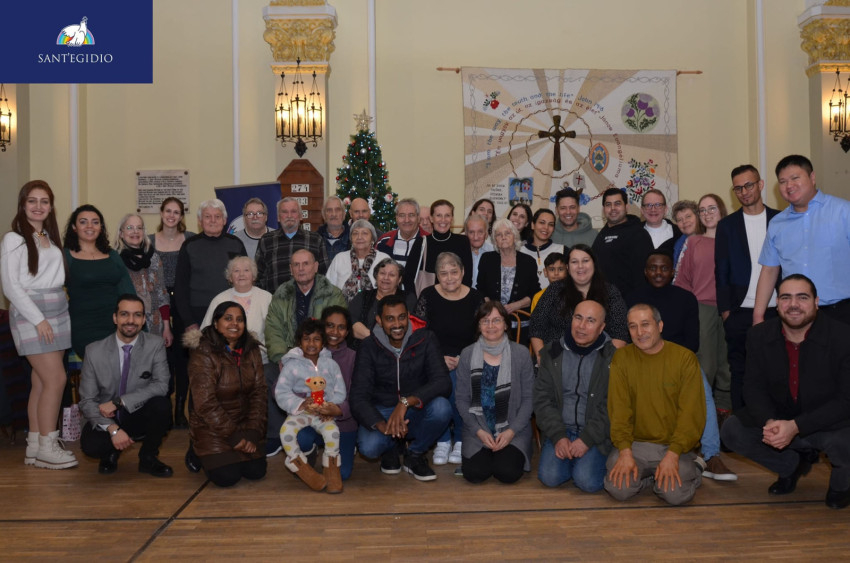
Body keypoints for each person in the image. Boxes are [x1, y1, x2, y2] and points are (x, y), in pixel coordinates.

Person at [721, 275, 850, 509]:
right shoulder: (759, 335)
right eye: (786, 298)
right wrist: (770, 422)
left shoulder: (843, 337)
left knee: (845, 443)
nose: (793, 305)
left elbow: (845, 401)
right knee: (732, 430)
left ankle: (843, 484)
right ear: (777, 303)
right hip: (782, 417)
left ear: (816, 302)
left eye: (802, 298)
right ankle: (791, 465)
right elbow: (752, 387)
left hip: (829, 423)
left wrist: (796, 426)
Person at [628, 251, 736, 481]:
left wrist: (668, 358)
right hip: (642, 359)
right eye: (653, 268)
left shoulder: (686, 298)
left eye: (664, 268)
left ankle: (711, 455)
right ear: (645, 272)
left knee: (703, 391)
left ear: (673, 272)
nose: (658, 273)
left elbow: (692, 342)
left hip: (679, 360)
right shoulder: (634, 297)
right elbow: (630, 337)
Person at [1, 180, 77, 469]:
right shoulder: (14, 239)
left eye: (44, 201)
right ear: (23, 204)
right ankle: (48, 445)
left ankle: (34, 444)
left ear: (51, 206)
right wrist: (39, 319)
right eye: (32, 201)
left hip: (58, 309)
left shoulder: (47, 235)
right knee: (56, 380)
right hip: (33, 312)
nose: (38, 206)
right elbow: (11, 286)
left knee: (41, 381)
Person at [604, 304, 705, 505]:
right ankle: (650, 479)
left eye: (645, 324)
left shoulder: (684, 358)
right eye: (633, 326)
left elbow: (691, 414)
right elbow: (619, 411)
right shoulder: (622, 358)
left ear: (660, 326)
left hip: (673, 446)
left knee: (674, 495)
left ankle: (694, 470)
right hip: (635, 445)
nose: (639, 332)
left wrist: (673, 454)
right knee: (618, 489)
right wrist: (624, 451)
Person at [350, 294, 452, 481]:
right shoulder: (368, 346)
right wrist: (382, 425)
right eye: (390, 319)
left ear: (408, 316)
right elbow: (358, 396)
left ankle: (415, 454)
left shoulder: (426, 338)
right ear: (379, 320)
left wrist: (406, 402)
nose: (397, 324)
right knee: (369, 447)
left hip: (414, 410)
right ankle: (391, 447)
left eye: (402, 317)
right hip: (382, 412)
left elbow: (442, 382)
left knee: (442, 408)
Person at [78, 295, 173, 477]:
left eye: (137, 315)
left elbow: (161, 385)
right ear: (115, 318)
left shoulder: (155, 345)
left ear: (143, 320)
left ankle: (148, 457)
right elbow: (87, 401)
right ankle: (110, 454)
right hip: (106, 416)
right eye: (124, 314)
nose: (131, 320)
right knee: (91, 446)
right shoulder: (94, 351)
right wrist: (113, 429)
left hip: (137, 412)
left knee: (162, 406)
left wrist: (119, 402)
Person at [172, 199, 247, 428]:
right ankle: (194, 422)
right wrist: (189, 322)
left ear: (225, 220)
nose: (213, 221)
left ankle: (225, 418)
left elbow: (245, 280)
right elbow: (180, 287)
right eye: (208, 216)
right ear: (200, 220)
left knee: (226, 370)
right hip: (196, 319)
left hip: (228, 319)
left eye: (217, 217)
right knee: (198, 371)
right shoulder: (190, 246)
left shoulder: (235, 244)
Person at [754, 154, 850, 327]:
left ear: (812, 177)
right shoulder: (777, 224)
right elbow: (769, 271)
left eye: (795, 178)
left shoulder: (843, 212)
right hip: (794, 315)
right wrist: (758, 316)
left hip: (841, 312)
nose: (789, 185)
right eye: (782, 181)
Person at [715, 164, 779, 410]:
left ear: (760, 184)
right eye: (738, 188)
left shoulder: (780, 219)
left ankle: (776, 423)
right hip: (739, 311)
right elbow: (721, 270)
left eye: (748, 185)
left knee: (777, 371)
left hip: (777, 310)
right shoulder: (727, 226)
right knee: (739, 371)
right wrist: (726, 312)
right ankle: (741, 423)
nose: (744, 192)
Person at [535, 299, 614, 492]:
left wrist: (587, 439)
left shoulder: (613, 358)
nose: (581, 326)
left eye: (590, 321)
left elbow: (612, 405)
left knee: (587, 482)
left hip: (594, 433)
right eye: (578, 318)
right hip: (561, 428)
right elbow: (542, 400)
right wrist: (558, 436)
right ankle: (575, 462)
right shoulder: (551, 353)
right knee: (549, 477)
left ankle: (587, 463)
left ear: (601, 327)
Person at [414, 252, 485, 466]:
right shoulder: (428, 295)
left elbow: (484, 335)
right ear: (437, 275)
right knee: (445, 377)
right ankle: (444, 440)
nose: (449, 277)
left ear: (463, 272)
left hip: (468, 357)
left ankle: (460, 439)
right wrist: (438, 359)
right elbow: (418, 335)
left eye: (454, 272)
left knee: (457, 377)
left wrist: (464, 357)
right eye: (443, 273)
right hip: (433, 358)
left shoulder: (475, 297)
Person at [185, 301, 267, 487]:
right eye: (228, 318)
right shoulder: (203, 351)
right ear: (216, 323)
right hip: (211, 427)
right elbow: (205, 403)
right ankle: (196, 450)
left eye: (240, 319)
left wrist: (252, 433)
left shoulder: (251, 348)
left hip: (244, 424)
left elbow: (259, 393)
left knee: (256, 472)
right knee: (227, 477)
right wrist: (234, 437)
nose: (234, 324)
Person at [199, 256, 275, 456]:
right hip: (224, 363)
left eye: (246, 270)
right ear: (229, 276)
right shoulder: (219, 299)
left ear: (254, 275)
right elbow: (206, 333)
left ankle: (260, 435)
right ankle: (223, 435)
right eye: (236, 271)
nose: (241, 274)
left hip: (259, 362)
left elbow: (275, 333)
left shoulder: (267, 297)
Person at [455, 301, 534, 483]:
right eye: (485, 321)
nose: (491, 326)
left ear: (506, 324)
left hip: (513, 429)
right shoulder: (467, 354)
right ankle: (487, 453)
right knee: (475, 474)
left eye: (496, 320)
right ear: (479, 326)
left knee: (507, 473)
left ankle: (504, 454)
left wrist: (511, 431)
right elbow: (461, 399)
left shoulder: (521, 354)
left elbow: (529, 399)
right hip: (478, 429)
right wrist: (478, 431)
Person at [674, 194, 731, 414]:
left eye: (712, 208)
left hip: (730, 307)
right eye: (703, 210)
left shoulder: (733, 240)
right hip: (702, 308)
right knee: (706, 364)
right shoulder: (693, 242)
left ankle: (724, 410)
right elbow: (682, 280)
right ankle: (701, 411)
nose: (707, 214)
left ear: (721, 210)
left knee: (727, 363)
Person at [275, 319, 346, 493]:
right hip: (301, 413)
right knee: (285, 432)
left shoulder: (331, 365)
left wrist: (329, 407)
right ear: (300, 342)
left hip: (323, 413)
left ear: (323, 343)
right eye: (306, 339)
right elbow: (281, 392)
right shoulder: (291, 366)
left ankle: (331, 468)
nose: (311, 344)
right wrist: (300, 403)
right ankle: (300, 466)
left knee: (333, 433)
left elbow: (340, 391)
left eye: (316, 339)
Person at [530, 244, 628, 358]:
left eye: (585, 261)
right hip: (555, 358)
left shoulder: (610, 292)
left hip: (598, 360)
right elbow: (536, 326)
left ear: (594, 264)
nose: (580, 266)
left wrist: (606, 363)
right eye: (574, 262)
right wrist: (542, 358)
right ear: (567, 267)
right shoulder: (555, 289)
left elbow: (620, 333)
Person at [63, 204, 136, 359]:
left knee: (124, 365)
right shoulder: (65, 256)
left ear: (101, 227)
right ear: (74, 227)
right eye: (83, 222)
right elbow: (52, 288)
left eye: (95, 222)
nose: (90, 226)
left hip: (116, 324)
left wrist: (136, 322)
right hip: (84, 327)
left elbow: (127, 290)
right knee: (102, 364)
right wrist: (41, 234)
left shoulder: (112, 254)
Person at [296, 307, 358, 481]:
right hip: (311, 420)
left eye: (341, 327)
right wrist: (305, 404)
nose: (335, 332)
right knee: (301, 437)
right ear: (322, 326)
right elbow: (281, 387)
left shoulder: (354, 357)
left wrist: (338, 410)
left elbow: (358, 395)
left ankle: (341, 450)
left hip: (343, 424)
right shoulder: (304, 352)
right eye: (330, 325)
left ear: (347, 332)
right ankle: (310, 451)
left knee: (342, 474)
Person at [265, 249, 347, 367]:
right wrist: (282, 358)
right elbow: (273, 330)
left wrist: (318, 359)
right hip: (288, 356)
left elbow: (336, 331)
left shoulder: (333, 295)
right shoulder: (281, 296)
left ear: (316, 267)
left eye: (306, 264)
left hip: (323, 357)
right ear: (291, 269)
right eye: (296, 265)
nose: (301, 268)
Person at [476, 219, 540, 343]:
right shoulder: (487, 259)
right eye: (499, 235)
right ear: (495, 240)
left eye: (507, 233)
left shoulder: (529, 262)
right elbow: (481, 289)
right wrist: (494, 308)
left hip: (521, 325)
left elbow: (534, 293)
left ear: (515, 237)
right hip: (492, 324)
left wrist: (516, 305)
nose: (503, 237)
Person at [115, 213, 173, 346]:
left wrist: (166, 327)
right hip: (127, 325)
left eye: (139, 228)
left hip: (156, 326)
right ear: (121, 233)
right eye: (129, 227)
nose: (135, 231)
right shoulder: (115, 259)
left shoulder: (154, 258)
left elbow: (162, 293)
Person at [255, 197, 329, 293]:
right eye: (284, 212)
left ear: (301, 216)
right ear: (278, 217)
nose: (289, 216)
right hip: (274, 300)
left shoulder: (315, 240)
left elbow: (324, 275)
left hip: (310, 300)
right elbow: (257, 277)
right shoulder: (266, 241)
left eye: (293, 211)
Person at [591, 187, 654, 298]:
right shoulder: (601, 236)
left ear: (626, 207)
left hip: (630, 302)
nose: (613, 208)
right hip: (603, 301)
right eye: (608, 204)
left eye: (617, 204)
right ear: (604, 209)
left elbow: (644, 276)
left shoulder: (638, 234)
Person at [404, 199, 474, 292]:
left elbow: (467, 277)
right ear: (431, 218)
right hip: (428, 298)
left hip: (456, 297)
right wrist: (414, 299)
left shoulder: (462, 241)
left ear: (452, 218)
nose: (443, 220)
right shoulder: (422, 242)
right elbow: (408, 277)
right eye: (439, 215)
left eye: (447, 215)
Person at [348, 258, 416, 348]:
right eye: (382, 273)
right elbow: (350, 321)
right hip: (361, 348)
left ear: (399, 279)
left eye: (391, 275)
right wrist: (375, 340)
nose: (386, 278)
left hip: (396, 350)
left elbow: (409, 328)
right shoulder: (363, 296)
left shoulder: (408, 298)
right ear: (376, 276)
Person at [325, 219, 391, 302]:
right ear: (351, 239)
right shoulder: (340, 258)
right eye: (355, 233)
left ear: (372, 239)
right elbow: (327, 288)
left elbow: (392, 288)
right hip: (342, 308)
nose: (359, 237)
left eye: (364, 233)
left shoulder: (383, 259)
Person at [520, 208, 565, 290]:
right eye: (542, 222)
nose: (546, 227)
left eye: (550, 224)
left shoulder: (563, 250)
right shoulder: (519, 252)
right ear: (533, 225)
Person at [376, 198, 427, 270]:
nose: (407, 220)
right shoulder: (384, 241)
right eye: (402, 215)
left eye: (411, 215)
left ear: (418, 218)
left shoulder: (428, 242)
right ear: (396, 218)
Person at [641, 189, 681, 254]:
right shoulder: (632, 234)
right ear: (642, 210)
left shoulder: (679, 234)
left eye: (658, 205)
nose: (653, 209)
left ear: (665, 209)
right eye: (648, 205)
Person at [317, 196, 350, 263]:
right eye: (329, 210)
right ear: (324, 215)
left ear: (344, 214)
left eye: (337, 210)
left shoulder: (353, 238)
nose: (334, 214)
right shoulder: (316, 240)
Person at [671, 200, 703, 269]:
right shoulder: (678, 244)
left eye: (688, 216)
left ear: (697, 216)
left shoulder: (709, 241)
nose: (684, 221)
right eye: (679, 220)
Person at [465, 214, 493, 290]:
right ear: (466, 234)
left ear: (486, 234)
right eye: (471, 232)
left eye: (480, 232)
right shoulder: (459, 253)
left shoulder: (494, 252)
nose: (476, 237)